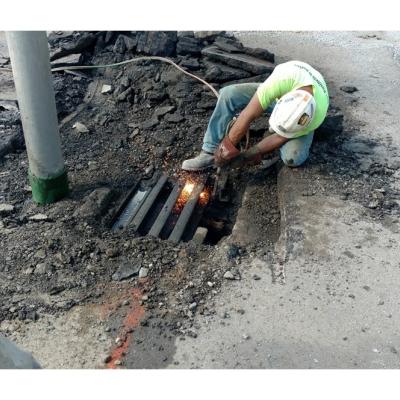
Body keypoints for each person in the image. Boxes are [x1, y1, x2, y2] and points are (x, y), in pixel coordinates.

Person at [181, 60, 329, 171]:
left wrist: (248, 155)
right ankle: (208, 151)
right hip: (286, 87)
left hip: (302, 115)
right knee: (228, 94)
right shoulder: (281, 81)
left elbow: (279, 137)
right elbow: (248, 114)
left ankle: (276, 157)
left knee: (293, 158)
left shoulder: (315, 117)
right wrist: (224, 150)